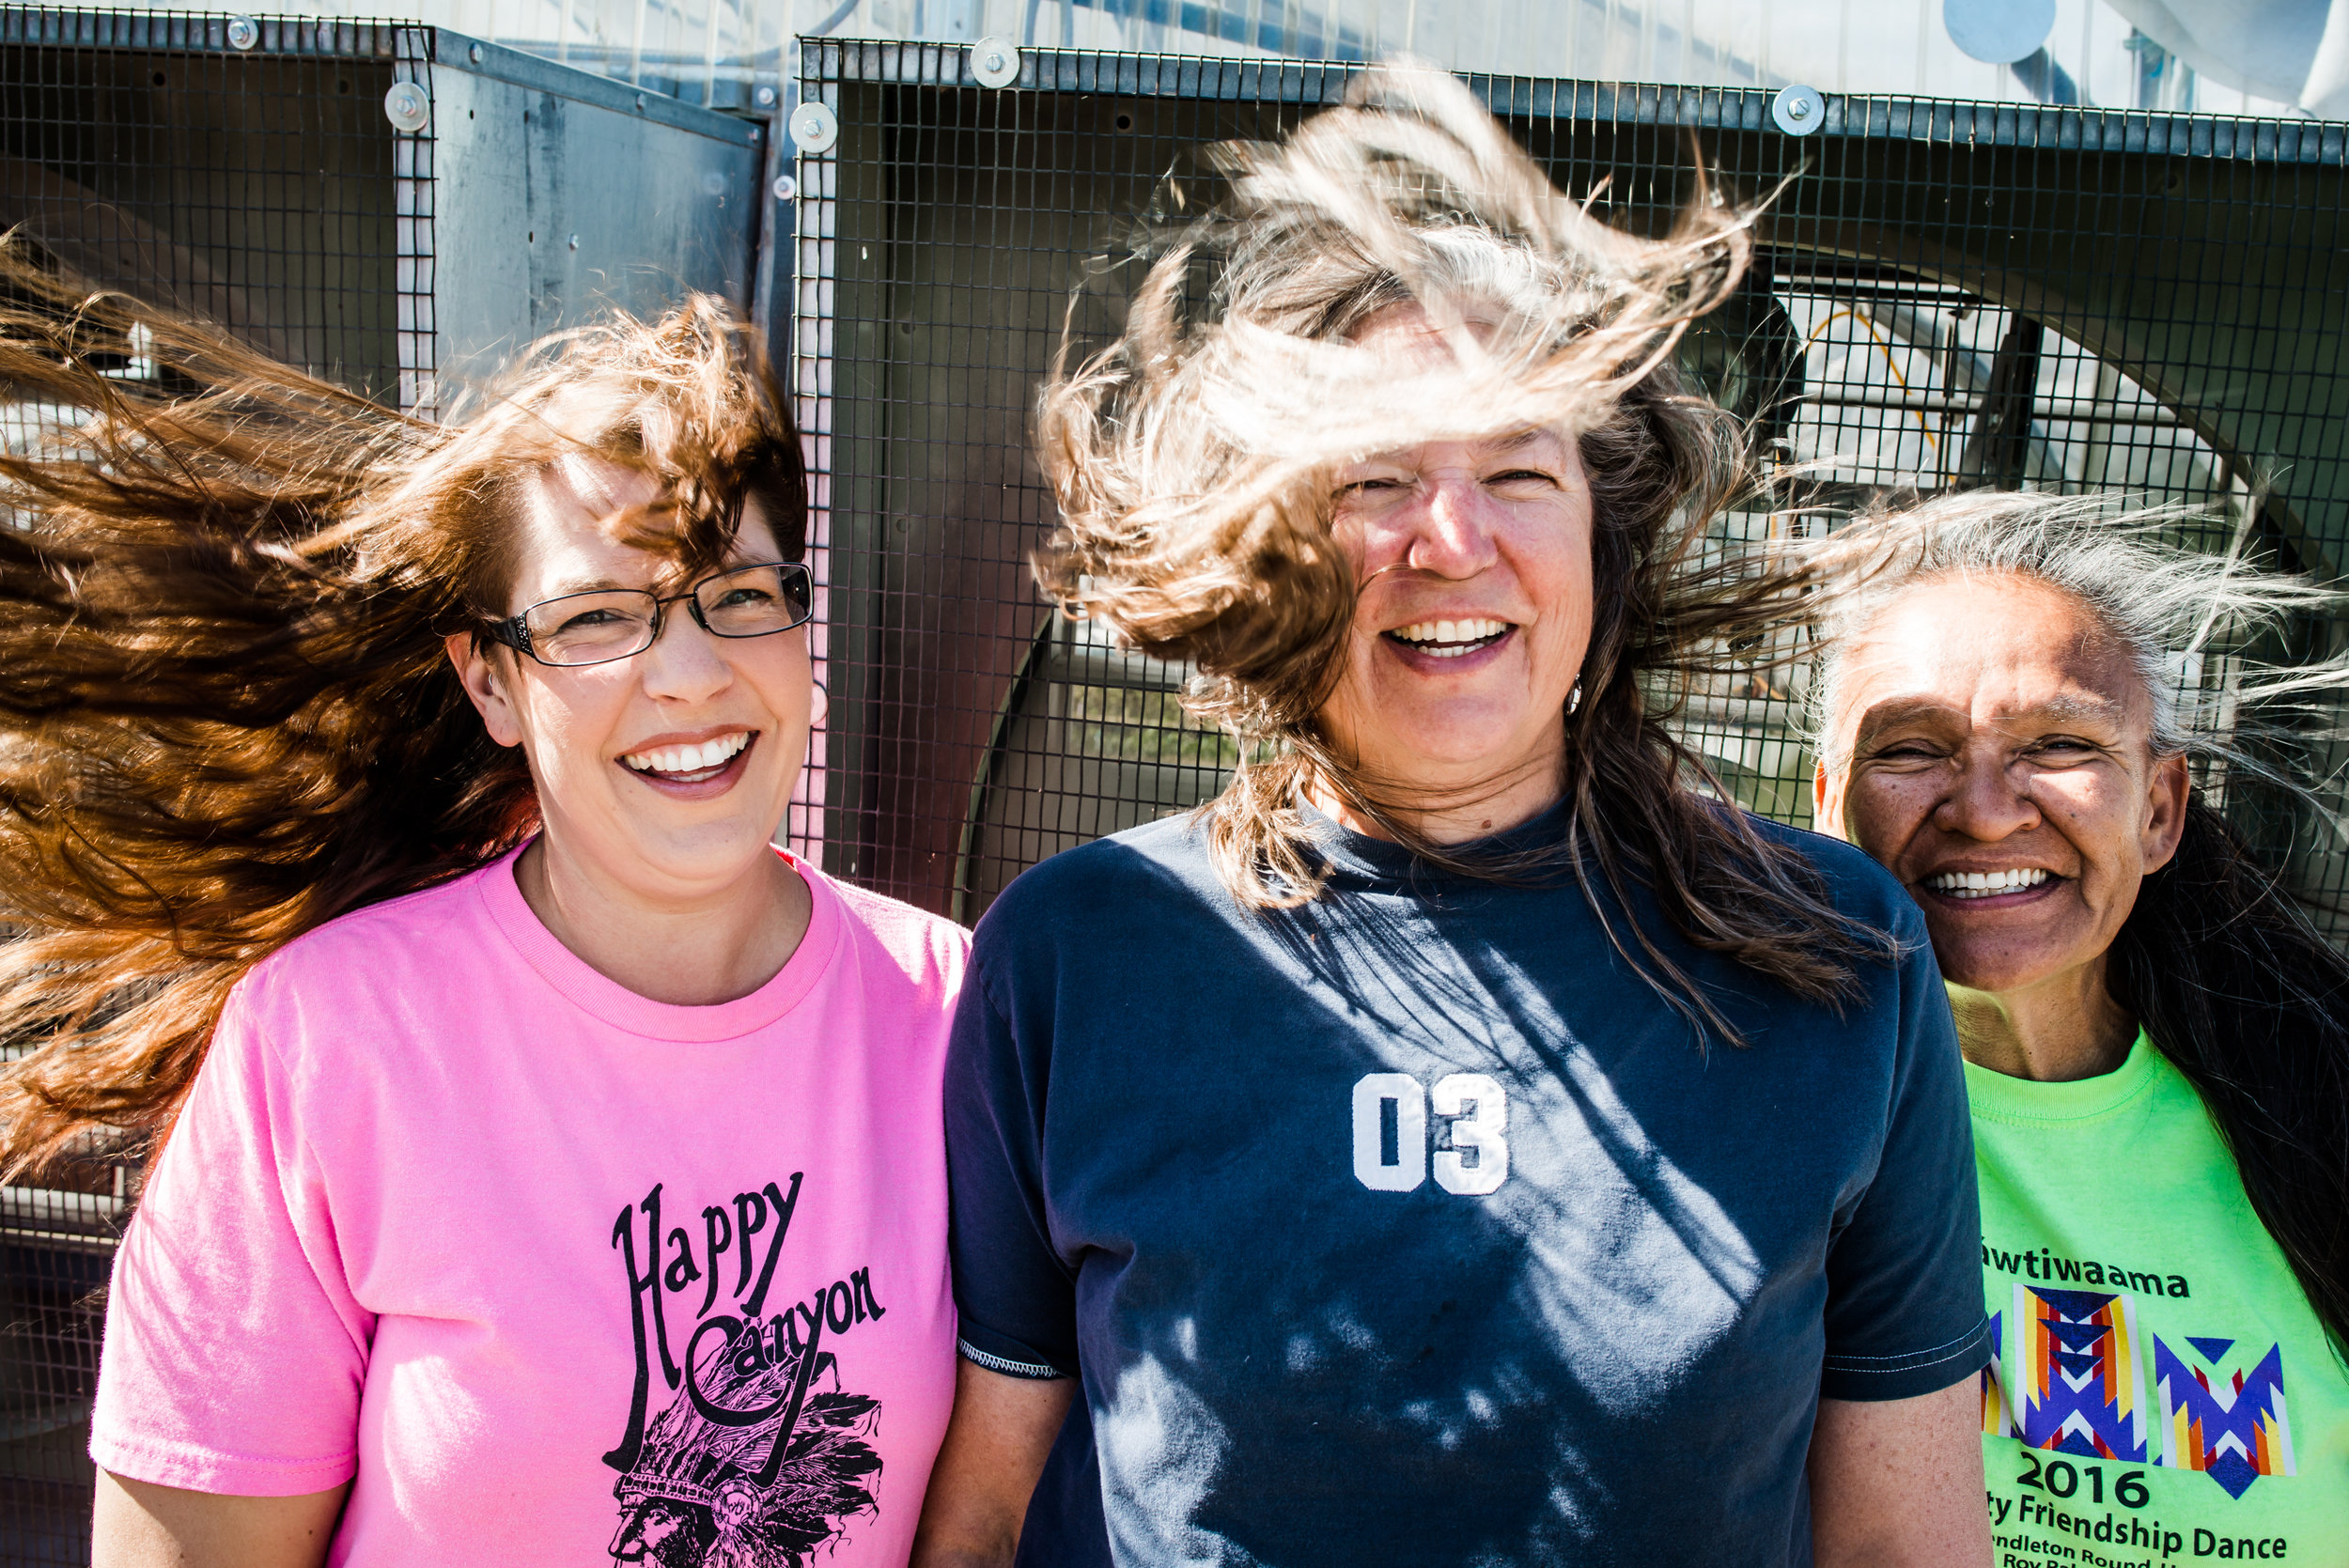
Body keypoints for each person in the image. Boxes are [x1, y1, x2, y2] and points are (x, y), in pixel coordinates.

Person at [911, 68, 1994, 1568]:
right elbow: (981, 1504)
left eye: (1516, 468)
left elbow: (1905, 1538)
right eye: (1373, 477)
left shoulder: (1842, 960)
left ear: (1605, 538)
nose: (1451, 540)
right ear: (1266, 546)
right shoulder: (1078, 952)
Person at [0, 267, 968, 1565]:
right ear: (491, 682)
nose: (687, 675)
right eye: (595, 620)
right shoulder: (326, 1042)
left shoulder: (963, 1014)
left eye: (739, 598)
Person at [1809, 491, 2349, 1560]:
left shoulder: (2319, 1108)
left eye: (2057, 744)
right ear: (1827, 807)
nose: (1984, 807)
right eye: (1911, 748)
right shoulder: (1761, 1111)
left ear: (2158, 810)